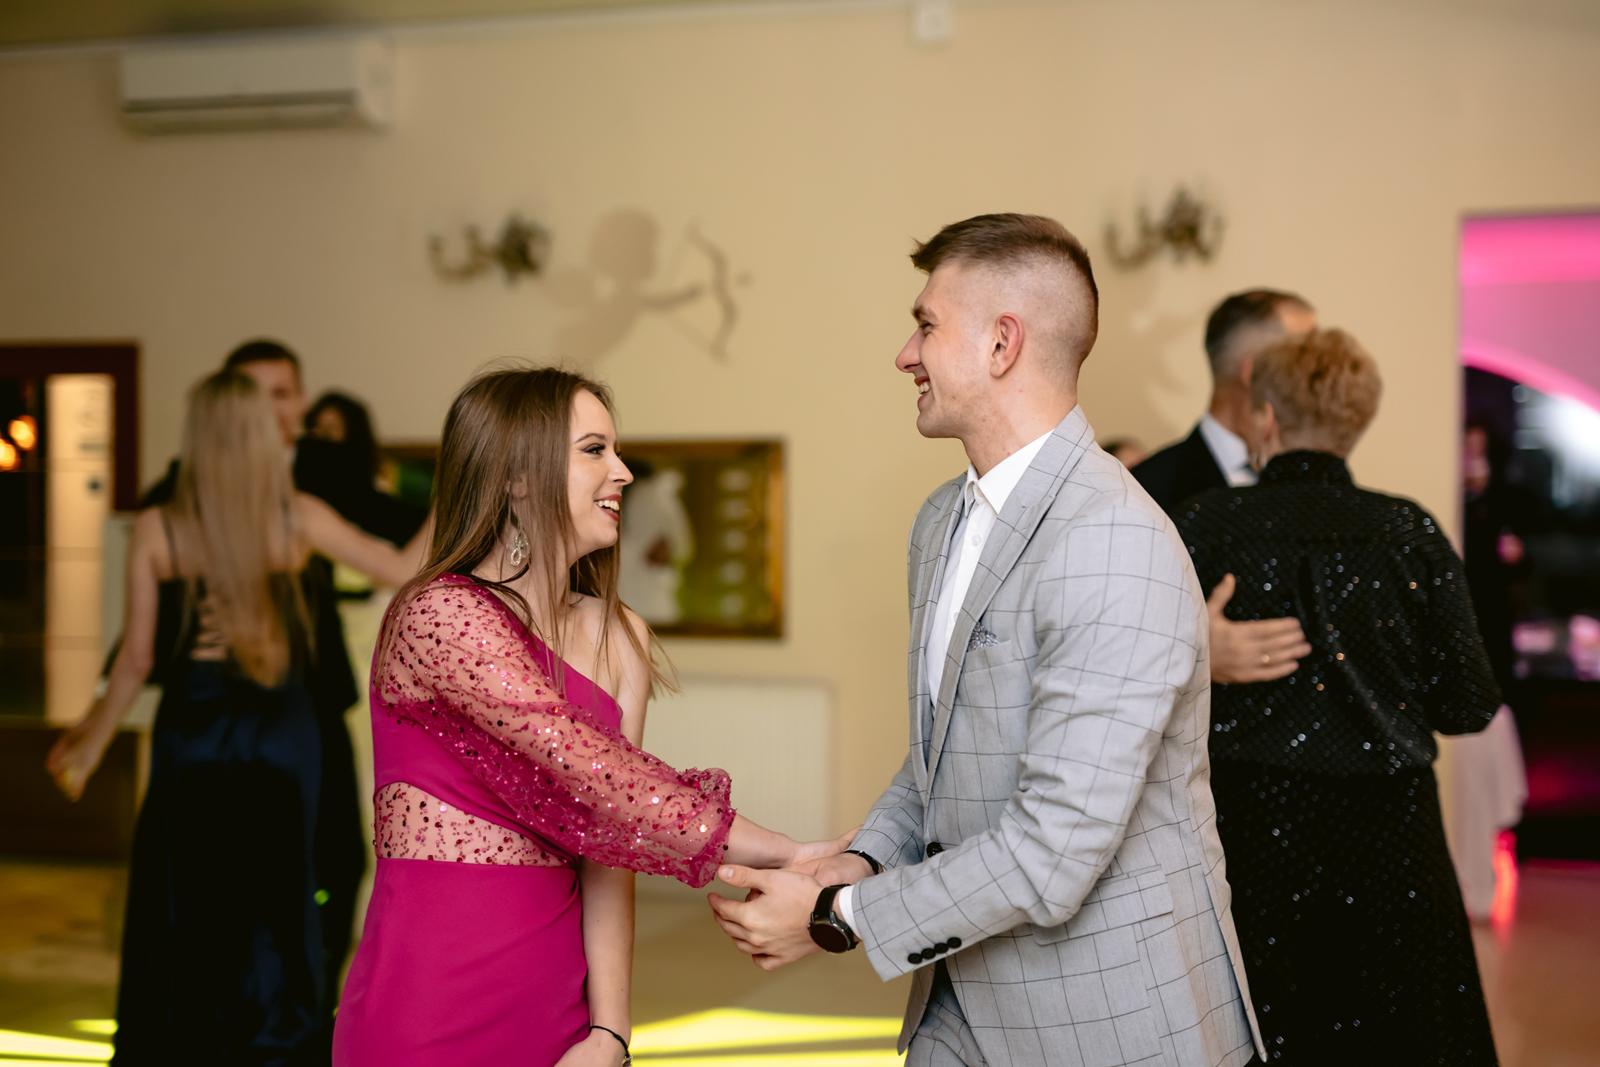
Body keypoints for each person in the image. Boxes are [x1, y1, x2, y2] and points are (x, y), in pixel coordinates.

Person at [707, 214, 1264, 1067]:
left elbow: (1054, 849)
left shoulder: (1112, 539)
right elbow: (940, 757)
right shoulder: (941, 521)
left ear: (1003, 344)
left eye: (926, 325)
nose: (905, 354)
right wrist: (859, 862)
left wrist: (836, 918)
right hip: (959, 998)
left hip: (1107, 1020)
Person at [331, 367, 848, 1067]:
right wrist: (783, 851)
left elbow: (612, 843)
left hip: (555, 1002)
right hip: (427, 999)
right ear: (518, 476)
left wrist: (610, 1030)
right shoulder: (438, 613)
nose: (623, 471)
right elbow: (596, 771)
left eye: (616, 449)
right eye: (595, 450)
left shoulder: (618, 633)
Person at [46, 371, 424, 1066]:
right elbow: (402, 566)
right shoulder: (295, 516)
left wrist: (91, 741)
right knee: (278, 890)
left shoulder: (160, 525)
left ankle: (181, 1043)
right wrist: (461, 490)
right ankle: (275, 1041)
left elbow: (136, 658)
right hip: (281, 729)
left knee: (182, 889)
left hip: (192, 726)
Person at [1175, 329, 1501, 1064]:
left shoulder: (1205, 525)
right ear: (1356, 423)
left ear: (1266, 417)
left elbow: (1136, 678)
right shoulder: (1407, 531)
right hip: (1393, 835)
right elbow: (1469, 704)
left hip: (1249, 829)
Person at [138, 338, 412, 1001]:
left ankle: (306, 1007)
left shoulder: (323, 473)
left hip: (310, 700)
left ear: (300, 400)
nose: (272, 409)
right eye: (255, 395)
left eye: (283, 394)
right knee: (214, 875)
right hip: (208, 710)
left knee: (337, 859)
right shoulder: (180, 485)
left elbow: (398, 542)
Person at [1134, 291, 1319, 691]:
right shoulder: (1147, 488)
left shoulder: (1322, 485)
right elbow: (1109, 628)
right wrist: (1192, 654)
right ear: (1253, 372)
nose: (1322, 374)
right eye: (1306, 356)